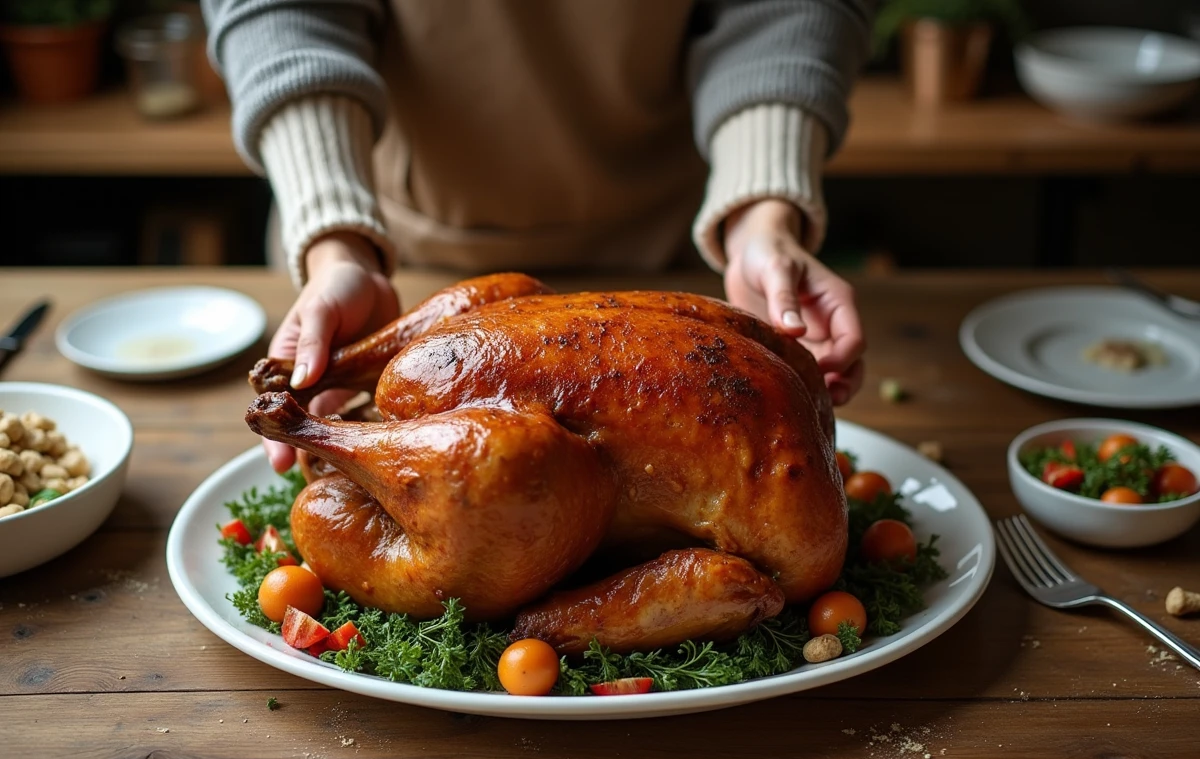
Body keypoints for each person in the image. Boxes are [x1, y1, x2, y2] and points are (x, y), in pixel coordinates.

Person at [202, 0, 873, 472]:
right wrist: (336, 244)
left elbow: (782, 10)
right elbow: (285, 11)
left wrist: (761, 212)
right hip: (403, 250)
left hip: (677, 251)